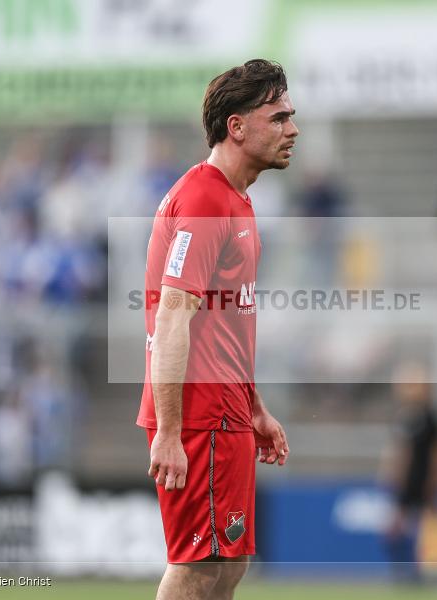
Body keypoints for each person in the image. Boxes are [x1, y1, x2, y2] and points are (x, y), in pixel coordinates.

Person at [137, 59, 296, 600]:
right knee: (198, 566)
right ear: (237, 126)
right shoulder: (205, 199)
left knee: (227, 565)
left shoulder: (237, 201)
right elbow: (172, 315)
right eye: (278, 118)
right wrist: (169, 431)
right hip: (198, 413)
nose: (291, 130)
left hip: (226, 409)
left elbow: (225, 321)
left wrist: (252, 406)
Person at [381, 364, 437, 583]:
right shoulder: (405, 417)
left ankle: (427, 574)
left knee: (429, 532)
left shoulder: (434, 418)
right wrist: (392, 475)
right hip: (406, 484)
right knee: (395, 530)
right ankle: (403, 572)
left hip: (426, 483)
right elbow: (400, 451)